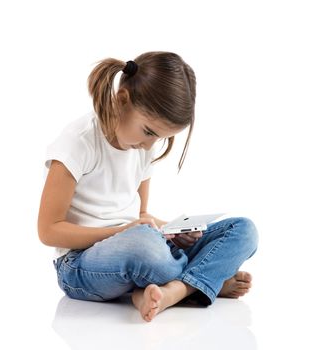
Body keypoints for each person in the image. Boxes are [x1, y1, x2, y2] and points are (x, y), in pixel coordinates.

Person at [37, 51, 258, 322]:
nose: (149, 146)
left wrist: (175, 233)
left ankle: (172, 289)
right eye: (149, 132)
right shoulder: (78, 143)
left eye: (161, 138)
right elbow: (48, 231)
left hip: (140, 246)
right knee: (144, 248)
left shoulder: (141, 147)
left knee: (244, 230)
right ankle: (202, 281)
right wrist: (122, 232)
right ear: (122, 100)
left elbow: (142, 217)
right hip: (82, 265)